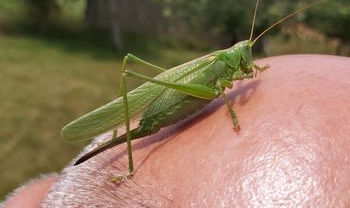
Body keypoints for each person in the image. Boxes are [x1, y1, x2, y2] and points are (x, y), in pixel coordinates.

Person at [3, 55, 350, 207]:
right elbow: (221, 90)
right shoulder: (220, 67)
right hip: (168, 106)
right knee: (215, 90)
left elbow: (241, 79)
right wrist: (230, 111)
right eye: (244, 57)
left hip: (186, 96)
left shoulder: (231, 63)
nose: (246, 63)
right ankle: (127, 160)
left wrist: (253, 68)